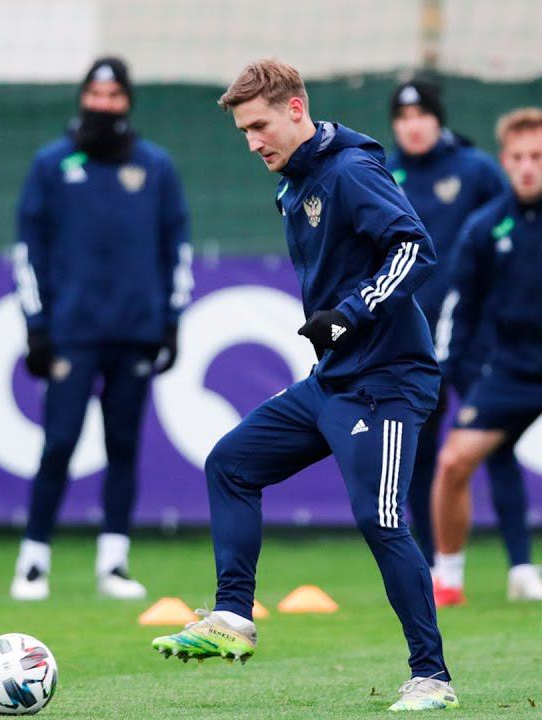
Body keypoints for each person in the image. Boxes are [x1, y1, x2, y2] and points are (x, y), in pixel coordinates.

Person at [150, 59, 457, 712]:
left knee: (380, 518)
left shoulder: (350, 171)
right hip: (335, 381)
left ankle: (432, 677)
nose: (252, 142)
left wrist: (350, 312)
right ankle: (232, 616)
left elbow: (414, 248)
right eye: (243, 131)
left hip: (387, 382)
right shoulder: (294, 184)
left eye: (259, 126)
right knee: (231, 463)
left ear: (296, 109)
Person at [11, 56, 193, 602]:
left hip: (135, 331)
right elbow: (28, 249)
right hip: (72, 332)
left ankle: (114, 563)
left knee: (124, 446)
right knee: (59, 443)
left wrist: (171, 323)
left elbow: (176, 248)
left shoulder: (155, 165)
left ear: (127, 102)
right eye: (95, 94)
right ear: (83, 98)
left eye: (113, 97)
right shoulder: (52, 163)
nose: (104, 104)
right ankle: (33, 561)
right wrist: (37, 326)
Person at [385, 81, 541, 606]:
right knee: (430, 456)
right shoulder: (384, 174)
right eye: (403, 116)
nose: (413, 125)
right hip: (424, 345)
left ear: (439, 118)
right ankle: (438, 569)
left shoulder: (474, 171)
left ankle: (521, 566)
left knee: (498, 453)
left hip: (486, 350)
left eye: (423, 114)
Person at [431, 107, 542, 606]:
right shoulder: (485, 226)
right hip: (511, 369)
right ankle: (448, 578)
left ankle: (521, 571)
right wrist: (448, 369)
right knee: (454, 462)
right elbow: (461, 304)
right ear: (504, 160)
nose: (527, 167)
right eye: (519, 157)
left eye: (537, 156)